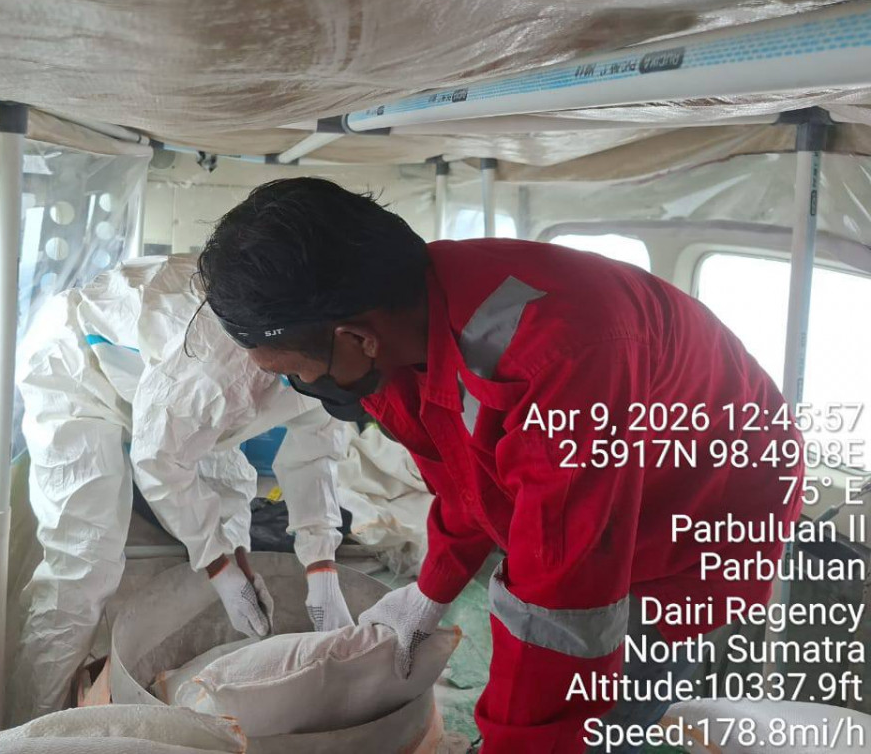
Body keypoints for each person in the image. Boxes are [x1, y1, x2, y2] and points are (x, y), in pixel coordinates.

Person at [197, 178, 804, 754]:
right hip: (611, 464)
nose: (300, 386)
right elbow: (467, 479)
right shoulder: (399, 323)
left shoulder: (556, 354)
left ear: (358, 338)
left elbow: (565, 599)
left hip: (699, 504)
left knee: (605, 692)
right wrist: (430, 589)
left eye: (297, 374)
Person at [9, 253, 351, 724]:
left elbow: (315, 453)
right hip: (77, 368)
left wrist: (322, 568)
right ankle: (32, 725)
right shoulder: (220, 364)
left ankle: (227, 645)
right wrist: (219, 567)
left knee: (233, 506)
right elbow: (159, 460)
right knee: (86, 563)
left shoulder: (329, 353)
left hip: (168, 384)